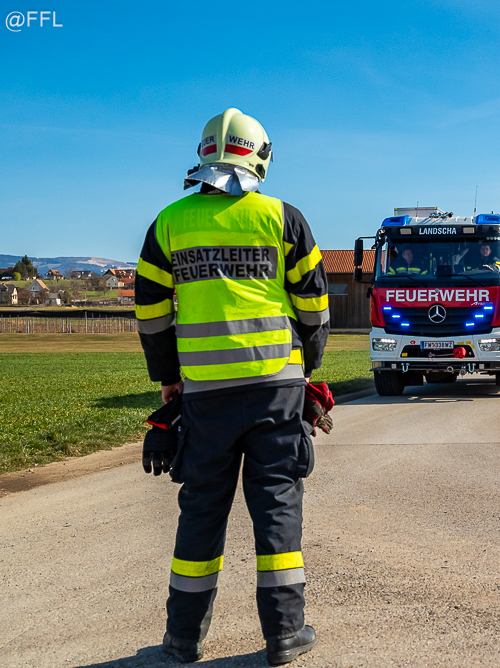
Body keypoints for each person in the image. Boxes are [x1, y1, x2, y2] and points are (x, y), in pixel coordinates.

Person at [135, 108, 329, 666]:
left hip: (204, 395)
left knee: (201, 511)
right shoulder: (283, 219)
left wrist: (168, 378)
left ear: (204, 153)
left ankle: (183, 638)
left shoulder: (169, 223)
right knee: (277, 506)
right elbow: (314, 306)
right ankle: (285, 634)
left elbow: (150, 312)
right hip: (276, 390)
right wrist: (308, 366)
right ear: (260, 156)